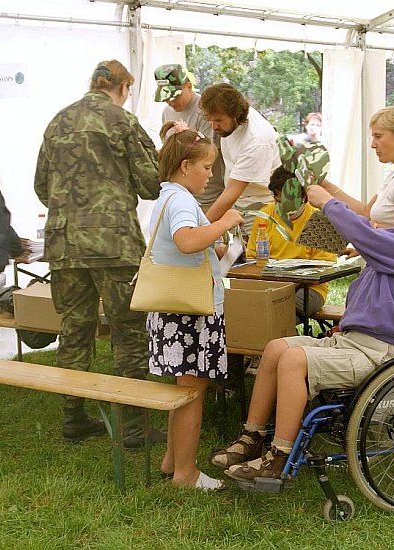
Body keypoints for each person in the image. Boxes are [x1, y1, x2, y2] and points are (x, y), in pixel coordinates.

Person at [210, 191, 394, 481]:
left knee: (292, 359)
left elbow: (366, 236)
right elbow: (361, 242)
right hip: (351, 340)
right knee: (275, 348)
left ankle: (279, 456)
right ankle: (252, 436)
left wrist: (328, 201)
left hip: (376, 352)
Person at [34, 60, 163, 447]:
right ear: (123, 88)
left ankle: (73, 417)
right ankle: (134, 429)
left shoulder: (57, 121)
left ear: (91, 83)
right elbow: (151, 184)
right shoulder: (122, 121)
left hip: (65, 243)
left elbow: (42, 185)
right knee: (128, 331)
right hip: (113, 244)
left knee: (75, 327)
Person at [147, 125, 244, 490]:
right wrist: (223, 223)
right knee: (192, 392)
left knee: (183, 389)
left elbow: (188, 244)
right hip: (191, 313)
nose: (210, 176)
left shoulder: (169, 197)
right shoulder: (183, 201)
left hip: (177, 309)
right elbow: (186, 241)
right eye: (206, 168)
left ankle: (173, 460)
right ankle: (185, 474)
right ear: (186, 166)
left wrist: (220, 248)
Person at [245, 166, 338, 319]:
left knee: (280, 310)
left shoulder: (320, 220)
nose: (283, 207)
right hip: (270, 285)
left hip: (309, 289)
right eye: (278, 200)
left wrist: (291, 283)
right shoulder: (265, 214)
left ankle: (280, 341)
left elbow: (325, 267)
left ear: (303, 197)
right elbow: (252, 259)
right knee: (242, 305)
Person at [316, 106, 394, 228]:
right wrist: (324, 185)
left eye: (378, 136)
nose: (373, 145)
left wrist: (367, 228)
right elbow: (366, 213)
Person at [199, 83, 281, 233]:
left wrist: (200, 229)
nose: (213, 126)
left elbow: (232, 192)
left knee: (254, 254)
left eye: (218, 120)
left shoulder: (256, 141)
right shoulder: (231, 124)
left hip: (259, 208)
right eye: (209, 120)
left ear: (235, 115)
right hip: (240, 203)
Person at [154, 64, 225, 212]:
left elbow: (206, 154)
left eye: (175, 97)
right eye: (166, 99)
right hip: (179, 195)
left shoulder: (204, 111)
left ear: (188, 85)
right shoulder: (167, 112)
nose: (171, 102)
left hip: (207, 197)